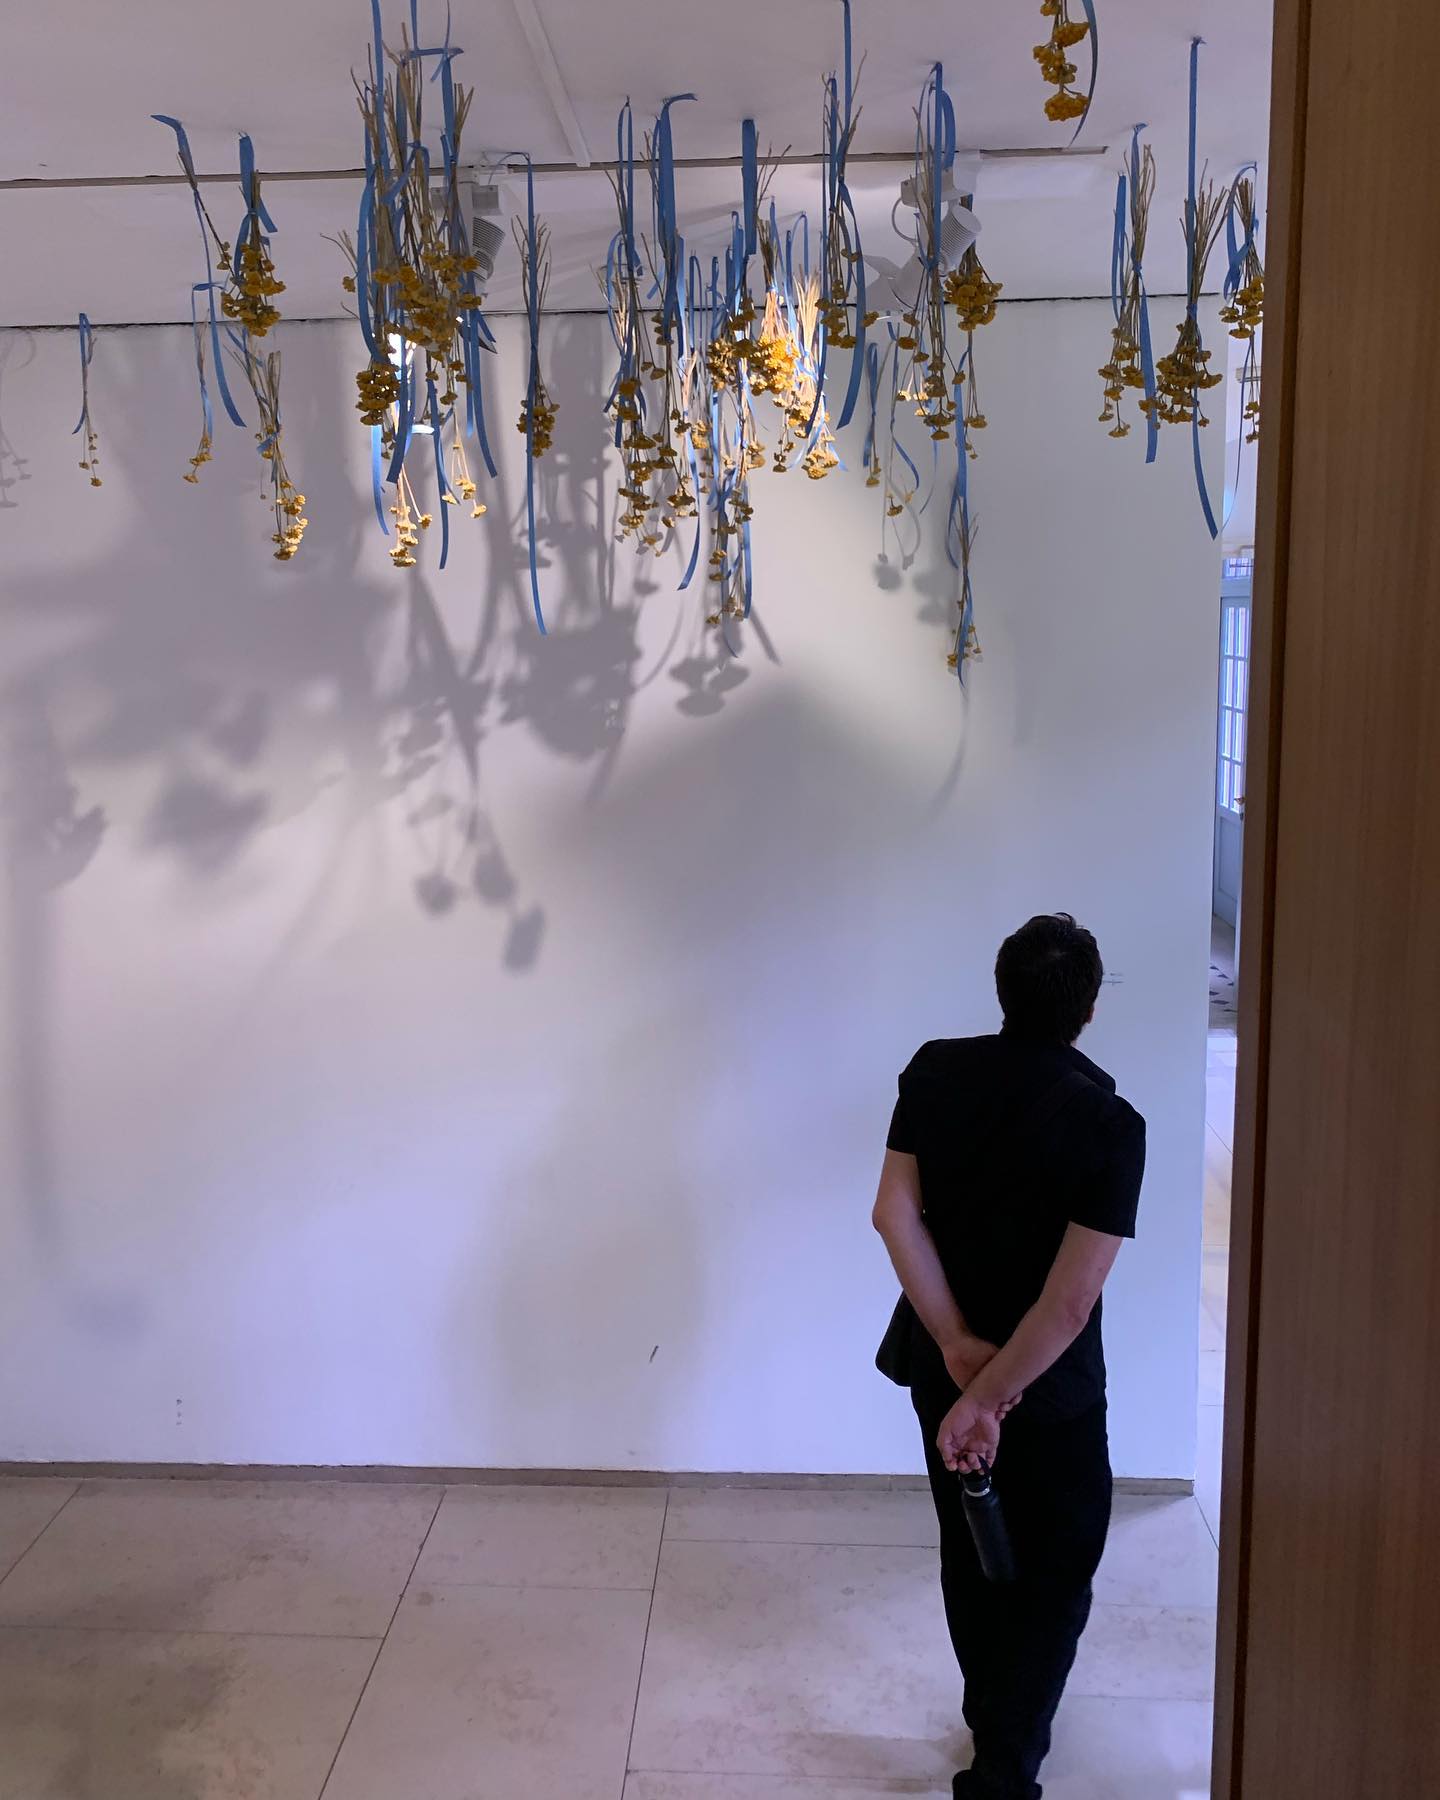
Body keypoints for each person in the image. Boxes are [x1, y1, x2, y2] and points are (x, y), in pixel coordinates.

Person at [871, 913, 1146, 1800]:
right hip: (1050, 1390)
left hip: (941, 1369)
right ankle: (1003, 1771)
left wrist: (959, 1352)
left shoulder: (933, 1070)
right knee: (1057, 1570)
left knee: (972, 1546)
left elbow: (893, 1214)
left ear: (1002, 989)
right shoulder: (1111, 1121)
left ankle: (990, 1715)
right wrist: (994, 1394)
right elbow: (1069, 1303)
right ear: (1089, 1009)